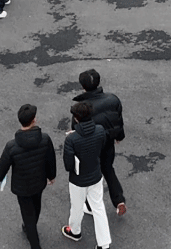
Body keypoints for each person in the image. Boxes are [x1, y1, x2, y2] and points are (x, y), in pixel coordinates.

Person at [0, 103, 58, 249]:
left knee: (27, 214)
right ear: (34, 120)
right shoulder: (45, 139)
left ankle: (34, 240)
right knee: (36, 207)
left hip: (22, 188)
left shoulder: (11, 146)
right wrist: (51, 176)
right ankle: (30, 227)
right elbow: (51, 160)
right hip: (39, 183)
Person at [72, 70, 126, 217]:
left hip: (90, 146)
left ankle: (90, 205)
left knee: (91, 174)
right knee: (108, 169)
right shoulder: (113, 99)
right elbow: (118, 120)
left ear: (83, 86)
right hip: (108, 142)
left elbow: (76, 129)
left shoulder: (82, 107)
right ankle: (119, 200)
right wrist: (119, 136)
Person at [61, 99, 112, 248]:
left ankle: (75, 231)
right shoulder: (100, 130)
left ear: (76, 118)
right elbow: (100, 145)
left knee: (76, 207)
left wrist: (73, 137)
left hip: (78, 181)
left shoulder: (71, 139)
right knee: (98, 207)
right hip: (96, 175)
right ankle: (104, 244)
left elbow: (68, 165)